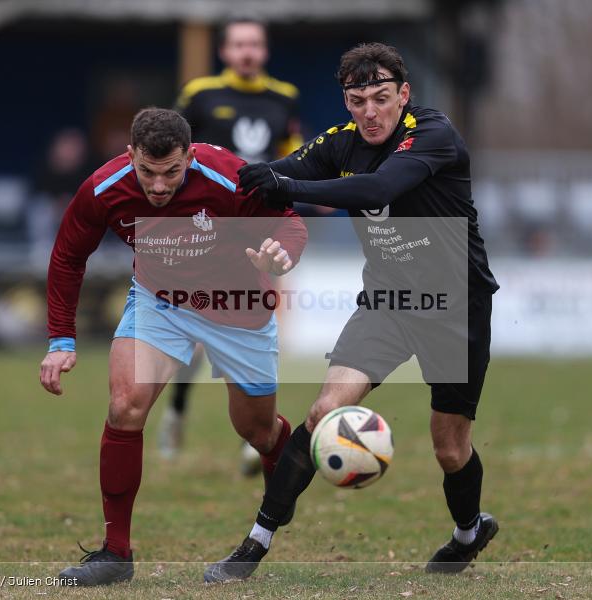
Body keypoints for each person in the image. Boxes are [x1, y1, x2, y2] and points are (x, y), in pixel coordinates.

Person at [204, 43, 500, 583]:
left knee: (449, 446)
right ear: (347, 102)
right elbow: (272, 172)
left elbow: (379, 186)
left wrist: (288, 187)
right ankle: (254, 544)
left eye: (382, 98)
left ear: (404, 95)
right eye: (358, 100)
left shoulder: (431, 133)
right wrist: (215, 185)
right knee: (321, 413)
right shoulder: (340, 144)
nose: (370, 111)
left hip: (457, 307)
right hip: (387, 302)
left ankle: (467, 533)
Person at [40, 107, 307, 586]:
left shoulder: (229, 178)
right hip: (160, 302)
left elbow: (290, 224)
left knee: (258, 431)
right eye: (147, 172)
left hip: (238, 307)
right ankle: (115, 553)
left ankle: (283, 483)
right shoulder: (104, 187)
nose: (158, 186)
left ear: (189, 154)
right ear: (130, 156)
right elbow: (67, 255)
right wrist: (61, 339)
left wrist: (280, 254)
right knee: (125, 406)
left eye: (171, 173)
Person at [163, 17, 305, 467]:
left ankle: (256, 432)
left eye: (255, 44)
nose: (247, 52)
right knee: (198, 325)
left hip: (259, 220)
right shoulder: (200, 94)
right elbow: (170, 149)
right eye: (239, 44)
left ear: (264, 51)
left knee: (259, 316)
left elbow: (295, 153)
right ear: (224, 51)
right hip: (205, 225)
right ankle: (178, 410)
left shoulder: (284, 97)